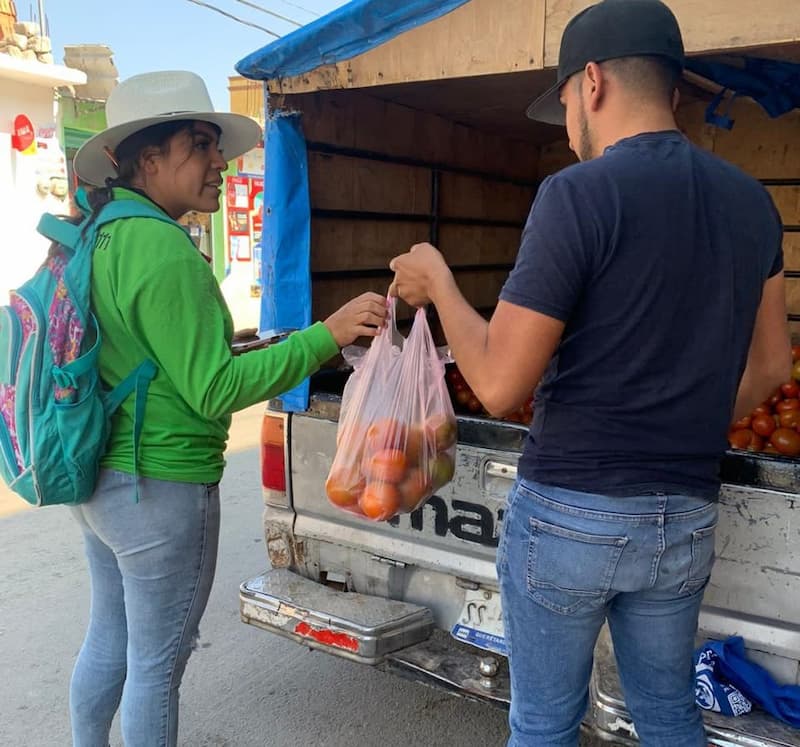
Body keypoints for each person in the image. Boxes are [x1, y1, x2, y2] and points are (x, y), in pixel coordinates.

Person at [388, 1, 790, 744]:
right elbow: (770, 365)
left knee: (545, 722)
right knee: (668, 713)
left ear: (593, 82)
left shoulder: (578, 194)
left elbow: (503, 384)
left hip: (571, 511)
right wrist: (683, 418)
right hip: (685, 514)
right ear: (672, 91)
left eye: (565, 100)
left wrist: (441, 284)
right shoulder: (752, 204)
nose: (567, 121)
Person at [67, 70, 387, 747]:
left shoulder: (104, 233)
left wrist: (236, 345)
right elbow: (212, 390)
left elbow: (149, 353)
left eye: (216, 145)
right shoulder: (164, 248)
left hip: (103, 479)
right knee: (156, 666)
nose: (219, 161)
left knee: (110, 639)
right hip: (161, 485)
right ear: (148, 159)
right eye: (198, 144)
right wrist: (323, 335)